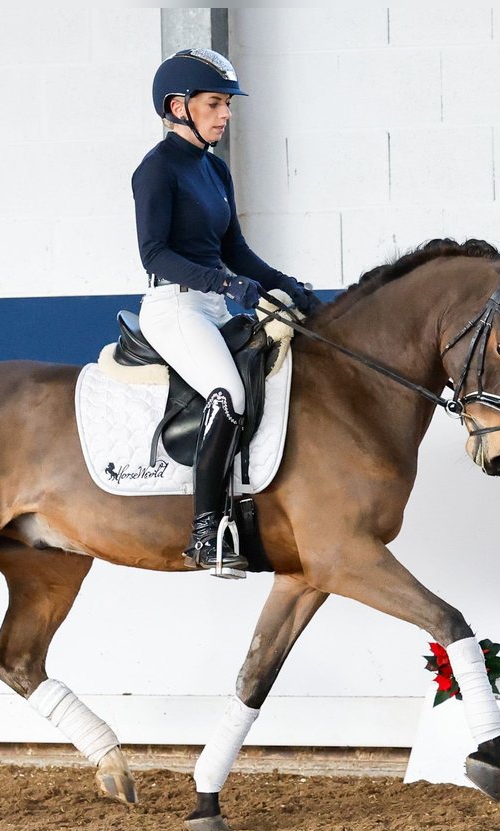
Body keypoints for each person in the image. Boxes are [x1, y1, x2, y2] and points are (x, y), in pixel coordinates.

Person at [132, 48, 320, 574]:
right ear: (178, 106)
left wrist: (285, 284)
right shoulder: (155, 170)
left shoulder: (215, 170)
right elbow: (154, 254)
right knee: (228, 392)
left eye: (226, 105)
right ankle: (206, 532)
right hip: (175, 306)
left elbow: (235, 249)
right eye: (215, 103)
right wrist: (225, 282)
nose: (226, 114)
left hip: (215, 303)